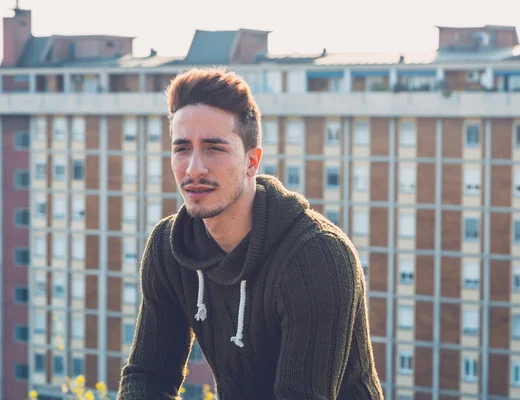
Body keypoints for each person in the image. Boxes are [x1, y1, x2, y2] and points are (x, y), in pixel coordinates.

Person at [117, 67, 383, 399]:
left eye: (214, 148)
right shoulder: (170, 247)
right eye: (182, 148)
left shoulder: (317, 257)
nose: (194, 168)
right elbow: (148, 377)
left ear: (252, 162)